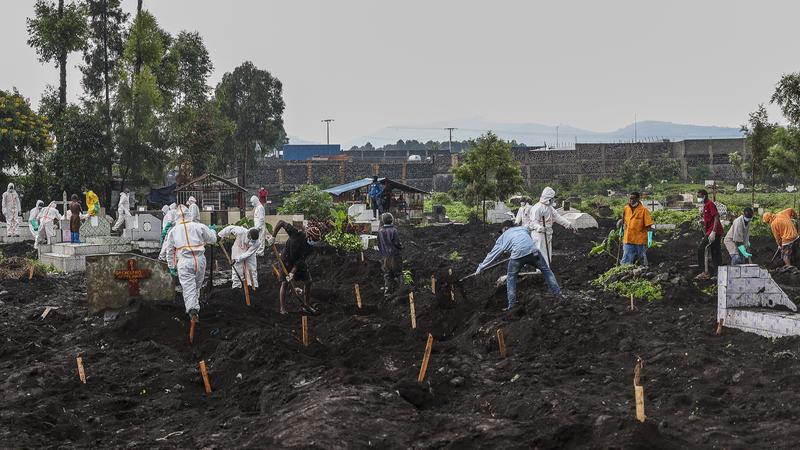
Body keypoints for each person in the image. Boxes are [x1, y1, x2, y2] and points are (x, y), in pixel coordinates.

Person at [475, 220, 562, 310]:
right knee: (547, 271)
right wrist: (525, 262)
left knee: (511, 278)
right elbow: (527, 243)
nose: (501, 233)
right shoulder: (523, 229)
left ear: (505, 228)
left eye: (501, 231)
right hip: (534, 253)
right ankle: (558, 295)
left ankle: (512, 305)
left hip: (517, 257)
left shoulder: (503, 237)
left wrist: (481, 267)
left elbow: (492, 254)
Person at [163, 206, 218, 321]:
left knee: (188, 287)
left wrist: (172, 266)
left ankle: (192, 311)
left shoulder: (174, 231)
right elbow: (212, 240)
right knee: (197, 285)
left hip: (184, 261)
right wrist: (212, 230)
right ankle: (194, 305)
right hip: (200, 260)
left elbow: (170, 251)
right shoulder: (199, 226)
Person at [268, 220, 322, 315]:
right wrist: (273, 236)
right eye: (314, 239)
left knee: (308, 281)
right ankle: (283, 309)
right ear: (309, 236)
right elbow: (281, 222)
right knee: (285, 283)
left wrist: (292, 273)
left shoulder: (310, 248)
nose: (315, 242)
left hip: (298, 263)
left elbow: (300, 261)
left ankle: (306, 306)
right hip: (285, 260)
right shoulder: (296, 233)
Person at [529, 186, 574, 265]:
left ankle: (547, 270)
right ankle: (541, 272)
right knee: (541, 253)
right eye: (552, 198)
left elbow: (557, 217)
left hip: (548, 233)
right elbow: (533, 223)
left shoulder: (549, 208)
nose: (553, 200)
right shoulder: (537, 208)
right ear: (548, 198)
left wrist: (568, 224)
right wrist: (540, 228)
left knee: (547, 254)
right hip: (539, 234)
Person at [218, 225, 260, 290]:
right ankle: (236, 288)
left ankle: (252, 287)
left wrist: (236, 259)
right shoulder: (240, 231)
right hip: (237, 250)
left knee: (252, 270)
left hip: (250, 254)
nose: (252, 241)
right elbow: (230, 228)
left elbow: (248, 254)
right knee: (237, 270)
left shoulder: (257, 242)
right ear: (248, 235)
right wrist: (220, 235)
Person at [695, 189, 724, 280]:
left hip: (714, 232)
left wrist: (713, 232)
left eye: (700, 197)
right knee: (715, 252)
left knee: (702, 248)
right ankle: (718, 274)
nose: (698, 198)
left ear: (705, 196)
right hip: (713, 231)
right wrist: (704, 222)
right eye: (698, 197)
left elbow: (716, 218)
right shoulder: (705, 205)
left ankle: (705, 271)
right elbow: (711, 218)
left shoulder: (710, 204)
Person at [620, 192, 654, 266]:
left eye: (634, 199)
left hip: (639, 239)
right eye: (631, 199)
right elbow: (624, 222)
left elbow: (648, 225)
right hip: (628, 237)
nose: (632, 201)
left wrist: (650, 238)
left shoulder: (644, 210)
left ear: (638, 199)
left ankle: (644, 269)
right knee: (626, 256)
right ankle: (623, 270)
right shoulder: (626, 208)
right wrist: (621, 230)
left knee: (642, 256)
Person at [377, 213, 403, 297]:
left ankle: (388, 293)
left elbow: (379, 244)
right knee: (399, 273)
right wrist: (400, 248)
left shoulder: (380, 232)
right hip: (395, 256)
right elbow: (397, 243)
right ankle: (403, 291)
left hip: (385, 257)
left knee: (388, 274)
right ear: (391, 220)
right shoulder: (393, 231)